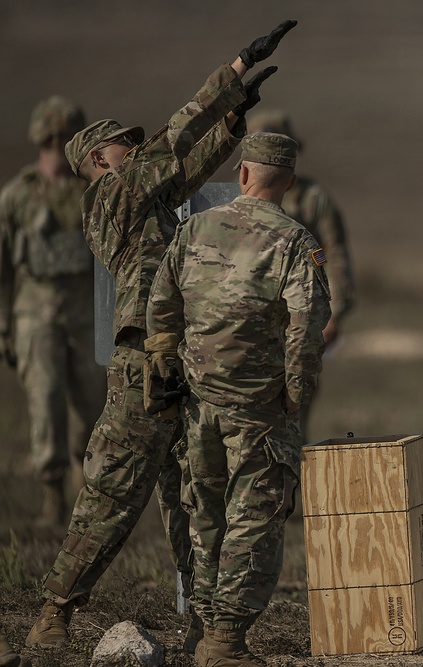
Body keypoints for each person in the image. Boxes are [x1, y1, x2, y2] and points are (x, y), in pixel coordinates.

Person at [24, 19, 297, 652]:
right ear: (99, 159)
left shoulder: (142, 198)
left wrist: (232, 123)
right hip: (142, 367)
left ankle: (208, 633)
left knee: (195, 498)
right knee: (114, 496)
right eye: (125, 145)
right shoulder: (111, 198)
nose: (135, 150)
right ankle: (52, 617)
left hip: (181, 362)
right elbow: (175, 140)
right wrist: (229, 74)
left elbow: (189, 167)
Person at [147, 132, 330, 667]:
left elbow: (162, 304)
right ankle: (225, 642)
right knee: (253, 519)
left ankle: (207, 628)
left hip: (199, 401)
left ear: (243, 173)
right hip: (260, 410)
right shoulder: (296, 242)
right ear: (290, 183)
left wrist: (168, 367)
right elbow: (307, 326)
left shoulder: (196, 227)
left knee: (205, 512)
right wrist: (297, 393)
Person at [0, 96, 106, 527]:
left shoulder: (93, 194)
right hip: (35, 313)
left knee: (94, 408)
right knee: (45, 405)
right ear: (40, 141)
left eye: (67, 141)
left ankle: (88, 499)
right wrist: (4, 325)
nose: (58, 149)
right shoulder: (17, 197)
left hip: (86, 314)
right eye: (52, 141)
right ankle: (52, 499)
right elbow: (3, 269)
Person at [246, 110, 356, 441]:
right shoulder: (233, 204)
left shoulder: (313, 200)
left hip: (299, 318)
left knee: (295, 418)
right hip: (250, 323)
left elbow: (332, 256)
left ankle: (294, 488)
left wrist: (334, 314)